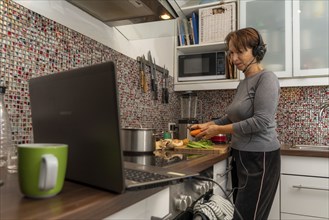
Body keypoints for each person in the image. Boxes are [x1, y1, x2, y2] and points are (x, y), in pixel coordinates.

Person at [190, 27, 281, 220]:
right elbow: (232, 117)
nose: (234, 58)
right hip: (240, 155)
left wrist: (218, 129)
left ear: (256, 51)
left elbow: (261, 121)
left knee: (250, 216)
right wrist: (209, 125)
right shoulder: (243, 83)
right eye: (232, 52)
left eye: (240, 52)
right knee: (239, 214)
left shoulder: (267, 79)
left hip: (260, 158)